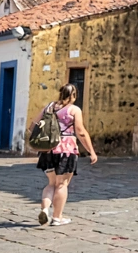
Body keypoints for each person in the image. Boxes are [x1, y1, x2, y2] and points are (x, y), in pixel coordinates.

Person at [33, 83, 98, 226]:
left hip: (48, 149)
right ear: (73, 95)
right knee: (62, 184)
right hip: (66, 148)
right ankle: (57, 217)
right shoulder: (74, 110)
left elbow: (33, 125)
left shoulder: (49, 107)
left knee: (51, 183)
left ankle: (45, 210)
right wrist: (91, 151)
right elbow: (80, 131)